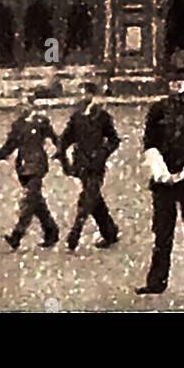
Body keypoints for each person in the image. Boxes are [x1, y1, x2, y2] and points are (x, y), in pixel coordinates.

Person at [135, 57, 184, 296]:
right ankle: (156, 282)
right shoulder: (158, 109)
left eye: (181, 81)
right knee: (162, 232)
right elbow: (149, 144)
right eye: (172, 81)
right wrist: (162, 173)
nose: (176, 85)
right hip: (163, 179)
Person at [0, 86, 60, 250]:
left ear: (31, 105)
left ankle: (17, 235)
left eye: (25, 104)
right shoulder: (18, 125)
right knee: (36, 201)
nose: (21, 108)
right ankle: (51, 231)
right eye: (19, 104)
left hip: (37, 166)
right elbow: (10, 145)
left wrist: (61, 152)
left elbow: (55, 139)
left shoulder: (41, 122)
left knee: (29, 201)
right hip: (23, 167)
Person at [57, 80, 120, 251]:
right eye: (81, 93)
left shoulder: (102, 116)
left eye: (86, 93)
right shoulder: (76, 117)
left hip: (96, 164)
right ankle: (110, 232)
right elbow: (65, 139)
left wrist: (103, 152)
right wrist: (62, 155)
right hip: (81, 164)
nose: (83, 97)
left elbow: (114, 140)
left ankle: (75, 234)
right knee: (93, 198)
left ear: (93, 96)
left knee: (87, 199)